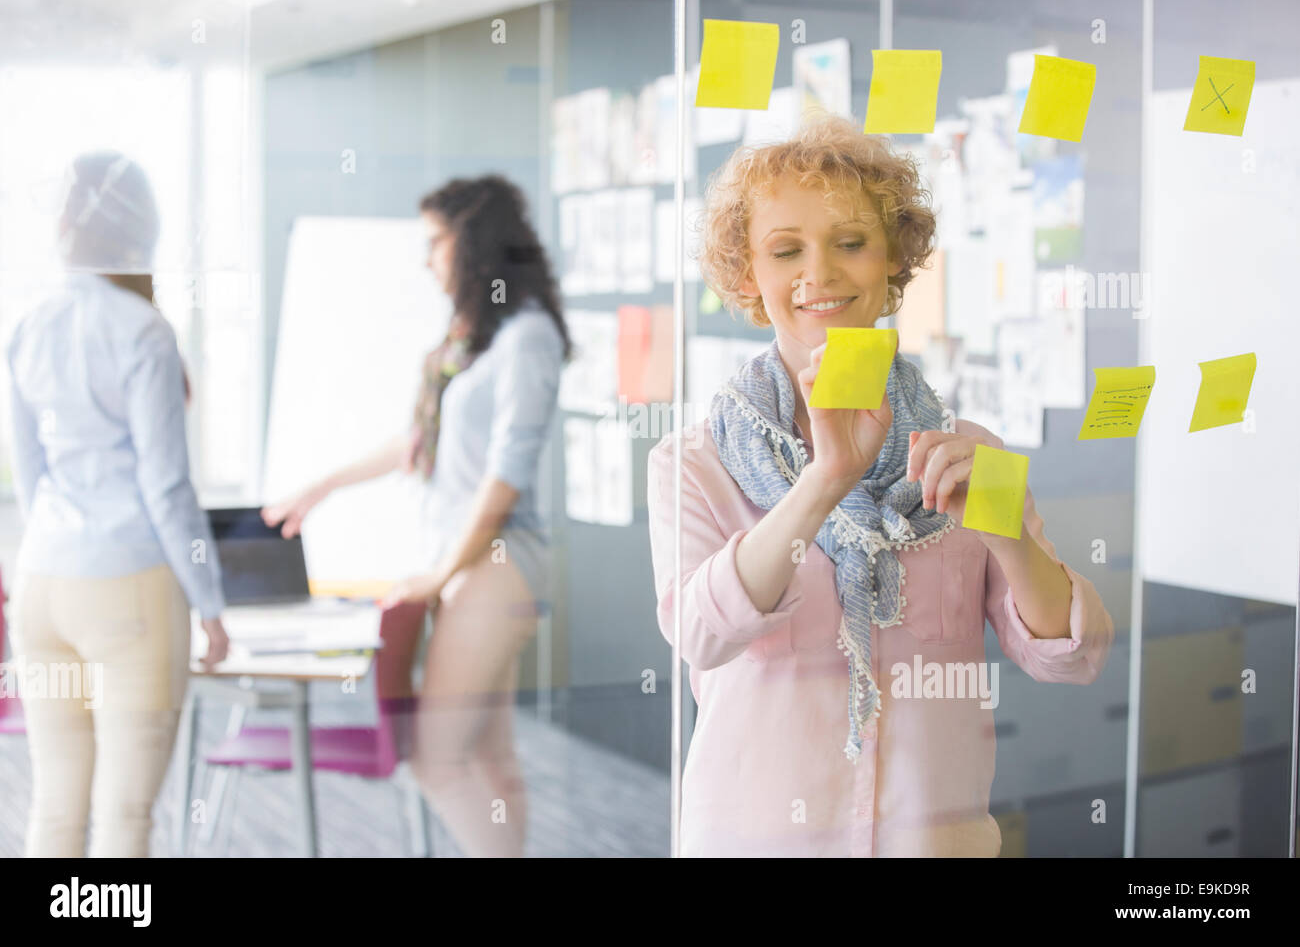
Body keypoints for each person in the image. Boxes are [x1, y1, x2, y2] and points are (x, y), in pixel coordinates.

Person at [646, 114, 1115, 857]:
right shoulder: (693, 461)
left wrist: (1009, 539)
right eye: (785, 250)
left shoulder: (969, 455)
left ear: (894, 260)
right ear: (748, 276)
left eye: (851, 243)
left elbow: (1072, 657)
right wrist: (825, 482)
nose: (820, 273)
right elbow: (703, 634)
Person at [264, 175, 570, 858]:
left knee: (437, 758)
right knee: (488, 759)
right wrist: (320, 488)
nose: (427, 258)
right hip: (459, 564)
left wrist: (438, 576)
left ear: (476, 242)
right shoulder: (470, 334)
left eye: (436, 242)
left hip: (495, 565)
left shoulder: (527, 337)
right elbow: (416, 444)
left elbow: (505, 480)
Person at [5, 152, 228, 858]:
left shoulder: (26, 326)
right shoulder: (143, 331)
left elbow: (28, 473)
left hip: (39, 586)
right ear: (144, 234)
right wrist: (211, 605)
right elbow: (166, 488)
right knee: (125, 817)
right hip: (128, 587)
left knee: (56, 809)